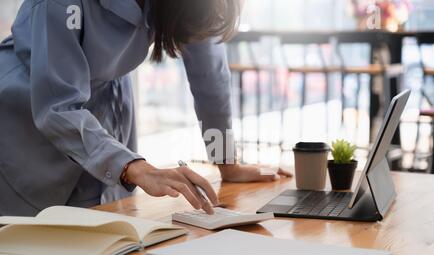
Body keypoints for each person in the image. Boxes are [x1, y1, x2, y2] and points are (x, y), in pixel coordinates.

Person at [0, 0, 291, 219]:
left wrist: (226, 160)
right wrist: (132, 167)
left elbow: (210, 78)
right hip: (28, 120)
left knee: (104, 248)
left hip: (105, 120)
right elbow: (58, 106)